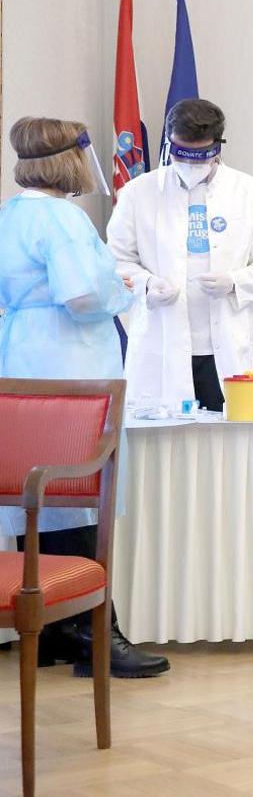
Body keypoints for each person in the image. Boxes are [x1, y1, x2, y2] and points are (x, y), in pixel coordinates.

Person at [0, 116, 169, 677]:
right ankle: (96, 633)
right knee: (77, 487)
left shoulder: (10, 214)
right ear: (70, 162)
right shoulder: (63, 218)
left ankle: (53, 630)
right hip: (69, 362)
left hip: (23, 357)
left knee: (36, 492)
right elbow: (80, 297)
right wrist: (122, 292)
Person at [108, 99, 253, 414]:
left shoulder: (249, 192)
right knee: (160, 436)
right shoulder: (138, 193)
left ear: (218, 147)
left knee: (223, 437)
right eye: (181, 153)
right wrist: (146, 284)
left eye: (200, 155)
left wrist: (234, 281)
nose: (190, 163)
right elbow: (116, 262)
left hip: (221, 349)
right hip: (160, 341)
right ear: (169, 142)